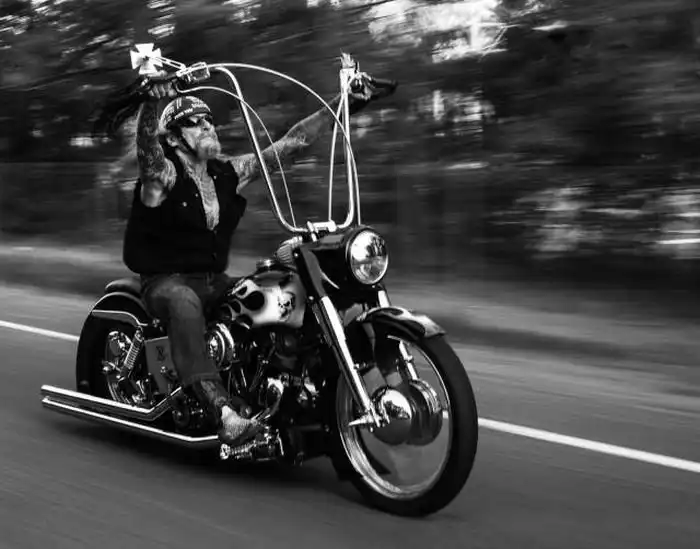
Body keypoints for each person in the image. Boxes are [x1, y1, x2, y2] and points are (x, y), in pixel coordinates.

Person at [121, 63, 392, 448]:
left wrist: (344, 104)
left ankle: (286, 391)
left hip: (214, 280)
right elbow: (148, 154)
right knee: (183, 303)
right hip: (166, 282)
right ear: (177, 138)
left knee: (278, 289)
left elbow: (291, 143)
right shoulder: (163, 177)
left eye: (210, 120)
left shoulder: (226, 173)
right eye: (196, 123)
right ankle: (223, 414)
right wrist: (151, 104)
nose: (208, 126)